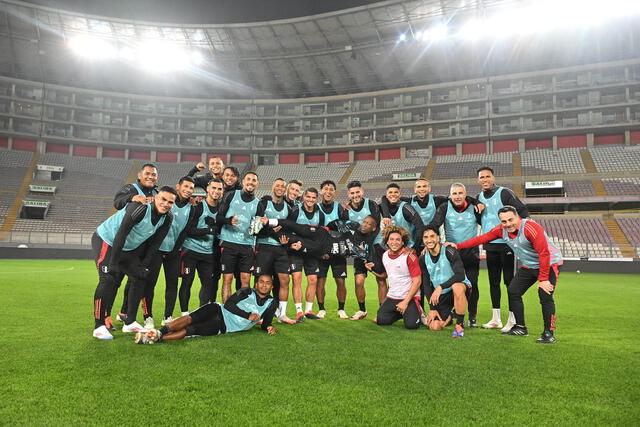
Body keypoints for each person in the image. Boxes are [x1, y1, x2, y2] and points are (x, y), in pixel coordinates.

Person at [450, 206, 562, 343]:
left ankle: (548, 333)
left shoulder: (530, 228)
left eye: (511, 219)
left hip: (549, 263)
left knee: (545, 294)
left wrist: (543, 279)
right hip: (529, 266)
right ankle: (520, 327)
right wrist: (458, 246)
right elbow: (482, 239)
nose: (508, 224)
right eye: (504, 221)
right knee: (513, 291)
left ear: (518, 217)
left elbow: (544, 253)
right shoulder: (500, 230)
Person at [92, 186, 176, 339]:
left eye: (170, 202)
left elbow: (155, 245)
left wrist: (143, 265)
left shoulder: (167, 218)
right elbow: (121, 234)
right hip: (108, 240)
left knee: (140, 276)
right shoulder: (140, 208)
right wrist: (114, 263)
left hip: (128, 248)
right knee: (108, 279)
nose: (166, 204)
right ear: (156, 197)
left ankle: (129, 322)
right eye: (163, 199)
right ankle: (99, 326)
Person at [119, 176, 196, 329]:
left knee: (172, 284)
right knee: (148, 284)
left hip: (173, 252)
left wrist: (175, 250)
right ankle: (148, 317)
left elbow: (184, 232)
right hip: (154, 251)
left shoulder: (192, 208)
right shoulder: (165, 201)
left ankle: (168, 317)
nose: (188, 190)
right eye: (185, 186)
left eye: (191, 188)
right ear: (178, 187)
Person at [135, 274, 278, 344]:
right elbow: (229, 304)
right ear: (256, 283)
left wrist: (269, 328)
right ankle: (160, 332)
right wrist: (247, 315)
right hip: (218, 310)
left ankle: (155, 338)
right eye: (261, 282)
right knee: (190, 319)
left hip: (223, 327)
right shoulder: (246, 291)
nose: (264, 285)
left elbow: (266, 323)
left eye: (268, 283)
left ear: (271, 286)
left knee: (190, 331)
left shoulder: (271, 303)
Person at [476, 167, 530, 331]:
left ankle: (512, 319)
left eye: (488, 176)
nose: (485, 179)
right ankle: (496, 318)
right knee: (493, 282)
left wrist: (520, 235)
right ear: (478, 180)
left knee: (509, 282)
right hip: (490, 245)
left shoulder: (505, 193)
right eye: (482, 177)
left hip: (507, 244)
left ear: (493, 178)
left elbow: (523, 212)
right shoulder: (478, 197)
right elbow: (480, 219)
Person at [427, 183, 481, 328]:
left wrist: (476, 202)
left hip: (471, 254)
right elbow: (434, 224)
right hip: (451, 254)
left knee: (473, 285)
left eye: (460, 193)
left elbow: (486, 224)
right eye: (454, 193)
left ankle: (472, 317)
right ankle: (455, 314)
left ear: (465, 194)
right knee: (453, 285)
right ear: (450, 195)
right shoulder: (445, 207)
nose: (457, 196)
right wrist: (429, 242)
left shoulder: (474, 207)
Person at [254, 178, 298, 325]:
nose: (280, 188)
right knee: (261, 281)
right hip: (264, 247)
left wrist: (284, 235)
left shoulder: (288, 208)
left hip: (281, 249)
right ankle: (258, 313)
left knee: (285, 280)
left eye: (282, 186)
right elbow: (256, 225)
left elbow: (290, 228)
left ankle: (282, 314)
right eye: (277, 185)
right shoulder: (264, 203)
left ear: (285, 189)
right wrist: (271, 229)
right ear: (272, 187)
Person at [179, 179, 224, 314]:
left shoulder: (222, 209)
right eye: (214, 188)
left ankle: (202, 312)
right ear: (208, 189)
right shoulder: (198, 206)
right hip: (190, 251)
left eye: (219, 189)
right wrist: (209, 230)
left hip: (208, 253)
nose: (216, 191)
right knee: (187, 282)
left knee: (208, 284)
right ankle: (184, 314)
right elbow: (189, 231)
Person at [344, 180, 385, 320]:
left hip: (375, 246)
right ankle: (362, 310)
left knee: (380, 279)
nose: (355, 195)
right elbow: (348, 231)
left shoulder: (371, 205)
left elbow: (375, 228)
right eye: (352, 193)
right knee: (359, 281)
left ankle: (382, 311)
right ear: (348, 194)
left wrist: (366, 253)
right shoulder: (347, 210)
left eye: (357, 192)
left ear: (362, 192)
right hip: (358, 248)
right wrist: (358, 249)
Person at [419, 226, 471, 338]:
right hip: (442, 295)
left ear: (438, 237)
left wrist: (440, 287)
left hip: (460, 288)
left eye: (432, 236)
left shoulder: (449, 251)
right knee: (435, 326)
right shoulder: (423, 258)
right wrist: (432, 309)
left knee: (456, 287)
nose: (429, 240)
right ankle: (452, 315)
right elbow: (426, 283)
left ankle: (459, 325)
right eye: (426, 237)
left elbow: (460, 275)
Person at [216, 172, 260, 302]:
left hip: (247, 246)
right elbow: (218, 218)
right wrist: (228, 221)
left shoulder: (259, 204)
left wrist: (259, 227)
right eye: (248, 179)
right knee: (227, 279)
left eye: (254, 180)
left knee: (245, 280)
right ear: (243, 181)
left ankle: (243, 311)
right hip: (229, 243)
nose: (251, 182)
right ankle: (226, 311)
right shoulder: (231, 195)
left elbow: (257, 229)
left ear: (257, 184)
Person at [370, 226, 422, 330]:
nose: (394, 242)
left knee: (412, 325)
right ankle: (401, 314)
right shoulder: (385, 255)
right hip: (392, 297)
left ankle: (417, 312)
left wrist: (405, 302)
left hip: (409, 298)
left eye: (398, 239)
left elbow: (417, 281)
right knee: (381, 320)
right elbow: (386, 276)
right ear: (387, 242)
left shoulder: (410, 256)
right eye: (391, 239)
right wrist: (371, 270)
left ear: (403, 242)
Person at [289, 187, 325, 321]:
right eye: (308, 197)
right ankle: (299, 311)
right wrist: (292, 244)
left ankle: (308, 310)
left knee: (313, 280)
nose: (310, 200)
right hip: (296, 251)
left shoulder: (319, 214)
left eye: (313, 198)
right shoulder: (295, 211)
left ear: (317, 199)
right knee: (297, 279)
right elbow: (288, 229)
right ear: (303, 197)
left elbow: (321, 234)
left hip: (311, 252)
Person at [316, 180, 350, 319]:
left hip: (337, 251)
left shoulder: (340, 208)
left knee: (340, 281)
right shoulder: (316, 207)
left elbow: (345, 230)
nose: (328, 191)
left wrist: (346, 249)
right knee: (320, 281)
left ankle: (341, 309)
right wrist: (320, 250)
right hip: (321, 252)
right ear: (321, 191)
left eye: (331, 189)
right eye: (326, 189)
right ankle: (321, 309)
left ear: (334, 192)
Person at [379, 183, 424, 249]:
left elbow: (420, 226)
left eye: (396, 192)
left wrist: (415, 247)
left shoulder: (406, 207)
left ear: (400, 195)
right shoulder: (382, 207)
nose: (393, 194)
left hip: (407, 248)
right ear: (386, 195)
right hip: (391, 249)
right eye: (390, 192)